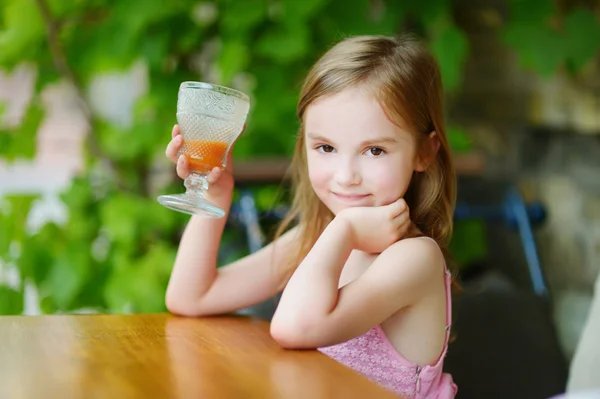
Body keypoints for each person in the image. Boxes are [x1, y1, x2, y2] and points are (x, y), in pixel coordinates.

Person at [164, 34, 458, 398]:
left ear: (424, 153)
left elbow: (294, 329)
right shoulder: (323, 237)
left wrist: (345, 230)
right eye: (326, 147)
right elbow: (191, 297)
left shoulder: (414, 258)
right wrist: (218, 195)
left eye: (375, 150)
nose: (345, 175)